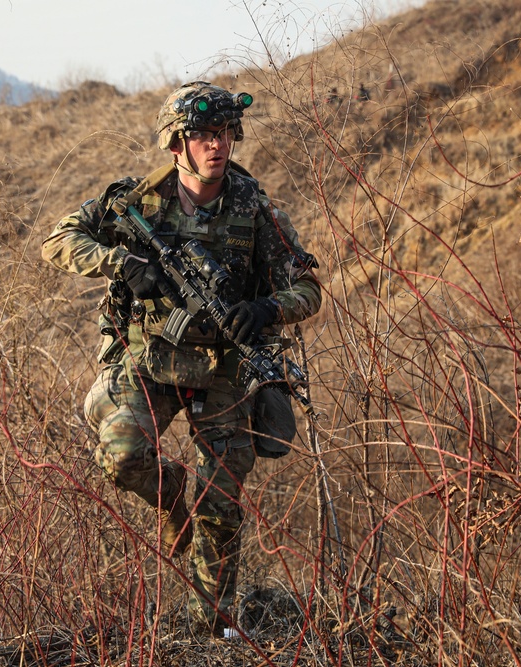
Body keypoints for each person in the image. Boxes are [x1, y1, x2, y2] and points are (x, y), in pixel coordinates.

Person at [41, 81, 322, 637]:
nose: (216, 146)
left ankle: (211, 626)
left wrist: (267, 307)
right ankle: (173, 502)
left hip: (224, 369)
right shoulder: (137, 201)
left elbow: (308, 289)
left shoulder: (256, 209)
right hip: (152, 358)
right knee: (122, 456)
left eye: (223, 134)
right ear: (177, 144)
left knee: (221, 503)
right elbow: (58, 240)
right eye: (202, 135)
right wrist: (121, 263)